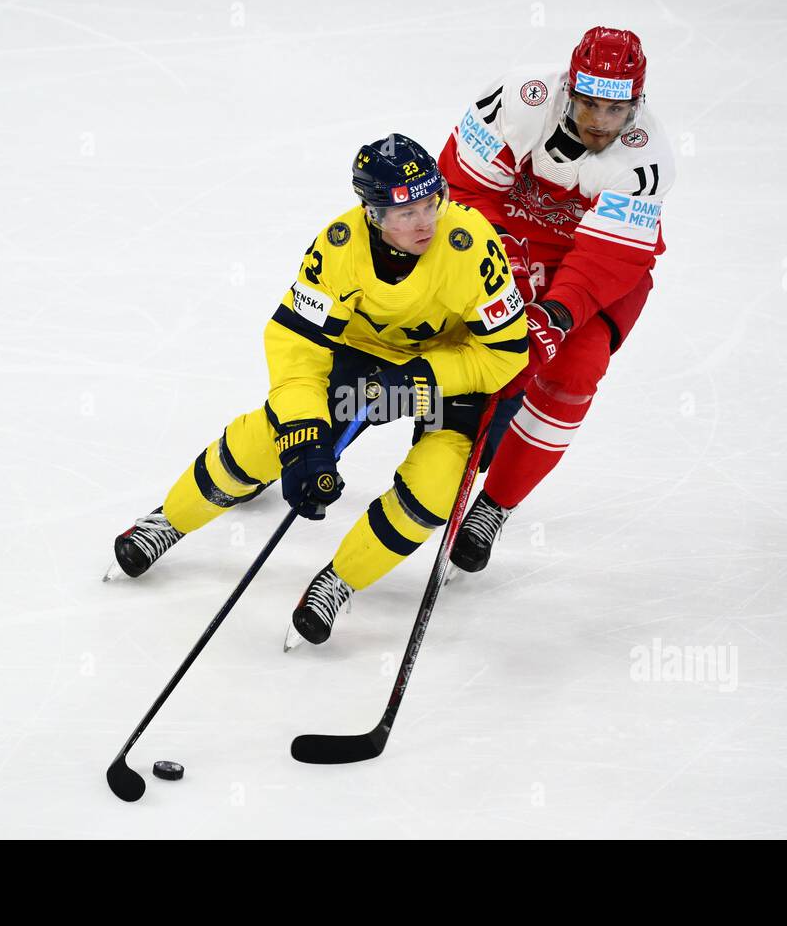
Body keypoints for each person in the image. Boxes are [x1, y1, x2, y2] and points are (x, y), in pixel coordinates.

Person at [110, 134, 528, 647]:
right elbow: (296, 348)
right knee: (272, 440)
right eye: (405, 211)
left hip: (446, 378)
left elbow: (506, 355)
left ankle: (339, 580)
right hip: (366, 361)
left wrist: (420, 380)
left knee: (434, 489)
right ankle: (167, 521)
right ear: (371, 213)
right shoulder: (338, 247)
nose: (424, 221)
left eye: (430, 201)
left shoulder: (469, 244)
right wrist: (305, 435)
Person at [436, 26, 677, 574]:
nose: (598, 121)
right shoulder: (521, 99)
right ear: (568, 90)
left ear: (635, 106)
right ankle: (304, 432)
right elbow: (461, 192)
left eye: (614, 110)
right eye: (588, 103)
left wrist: (555, 316)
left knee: (575, 372)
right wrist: (499, 268)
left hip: (589, 264)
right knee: (424, 326)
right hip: (502, 236)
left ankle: (494, 506)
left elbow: (608, 259)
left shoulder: (647, 158)